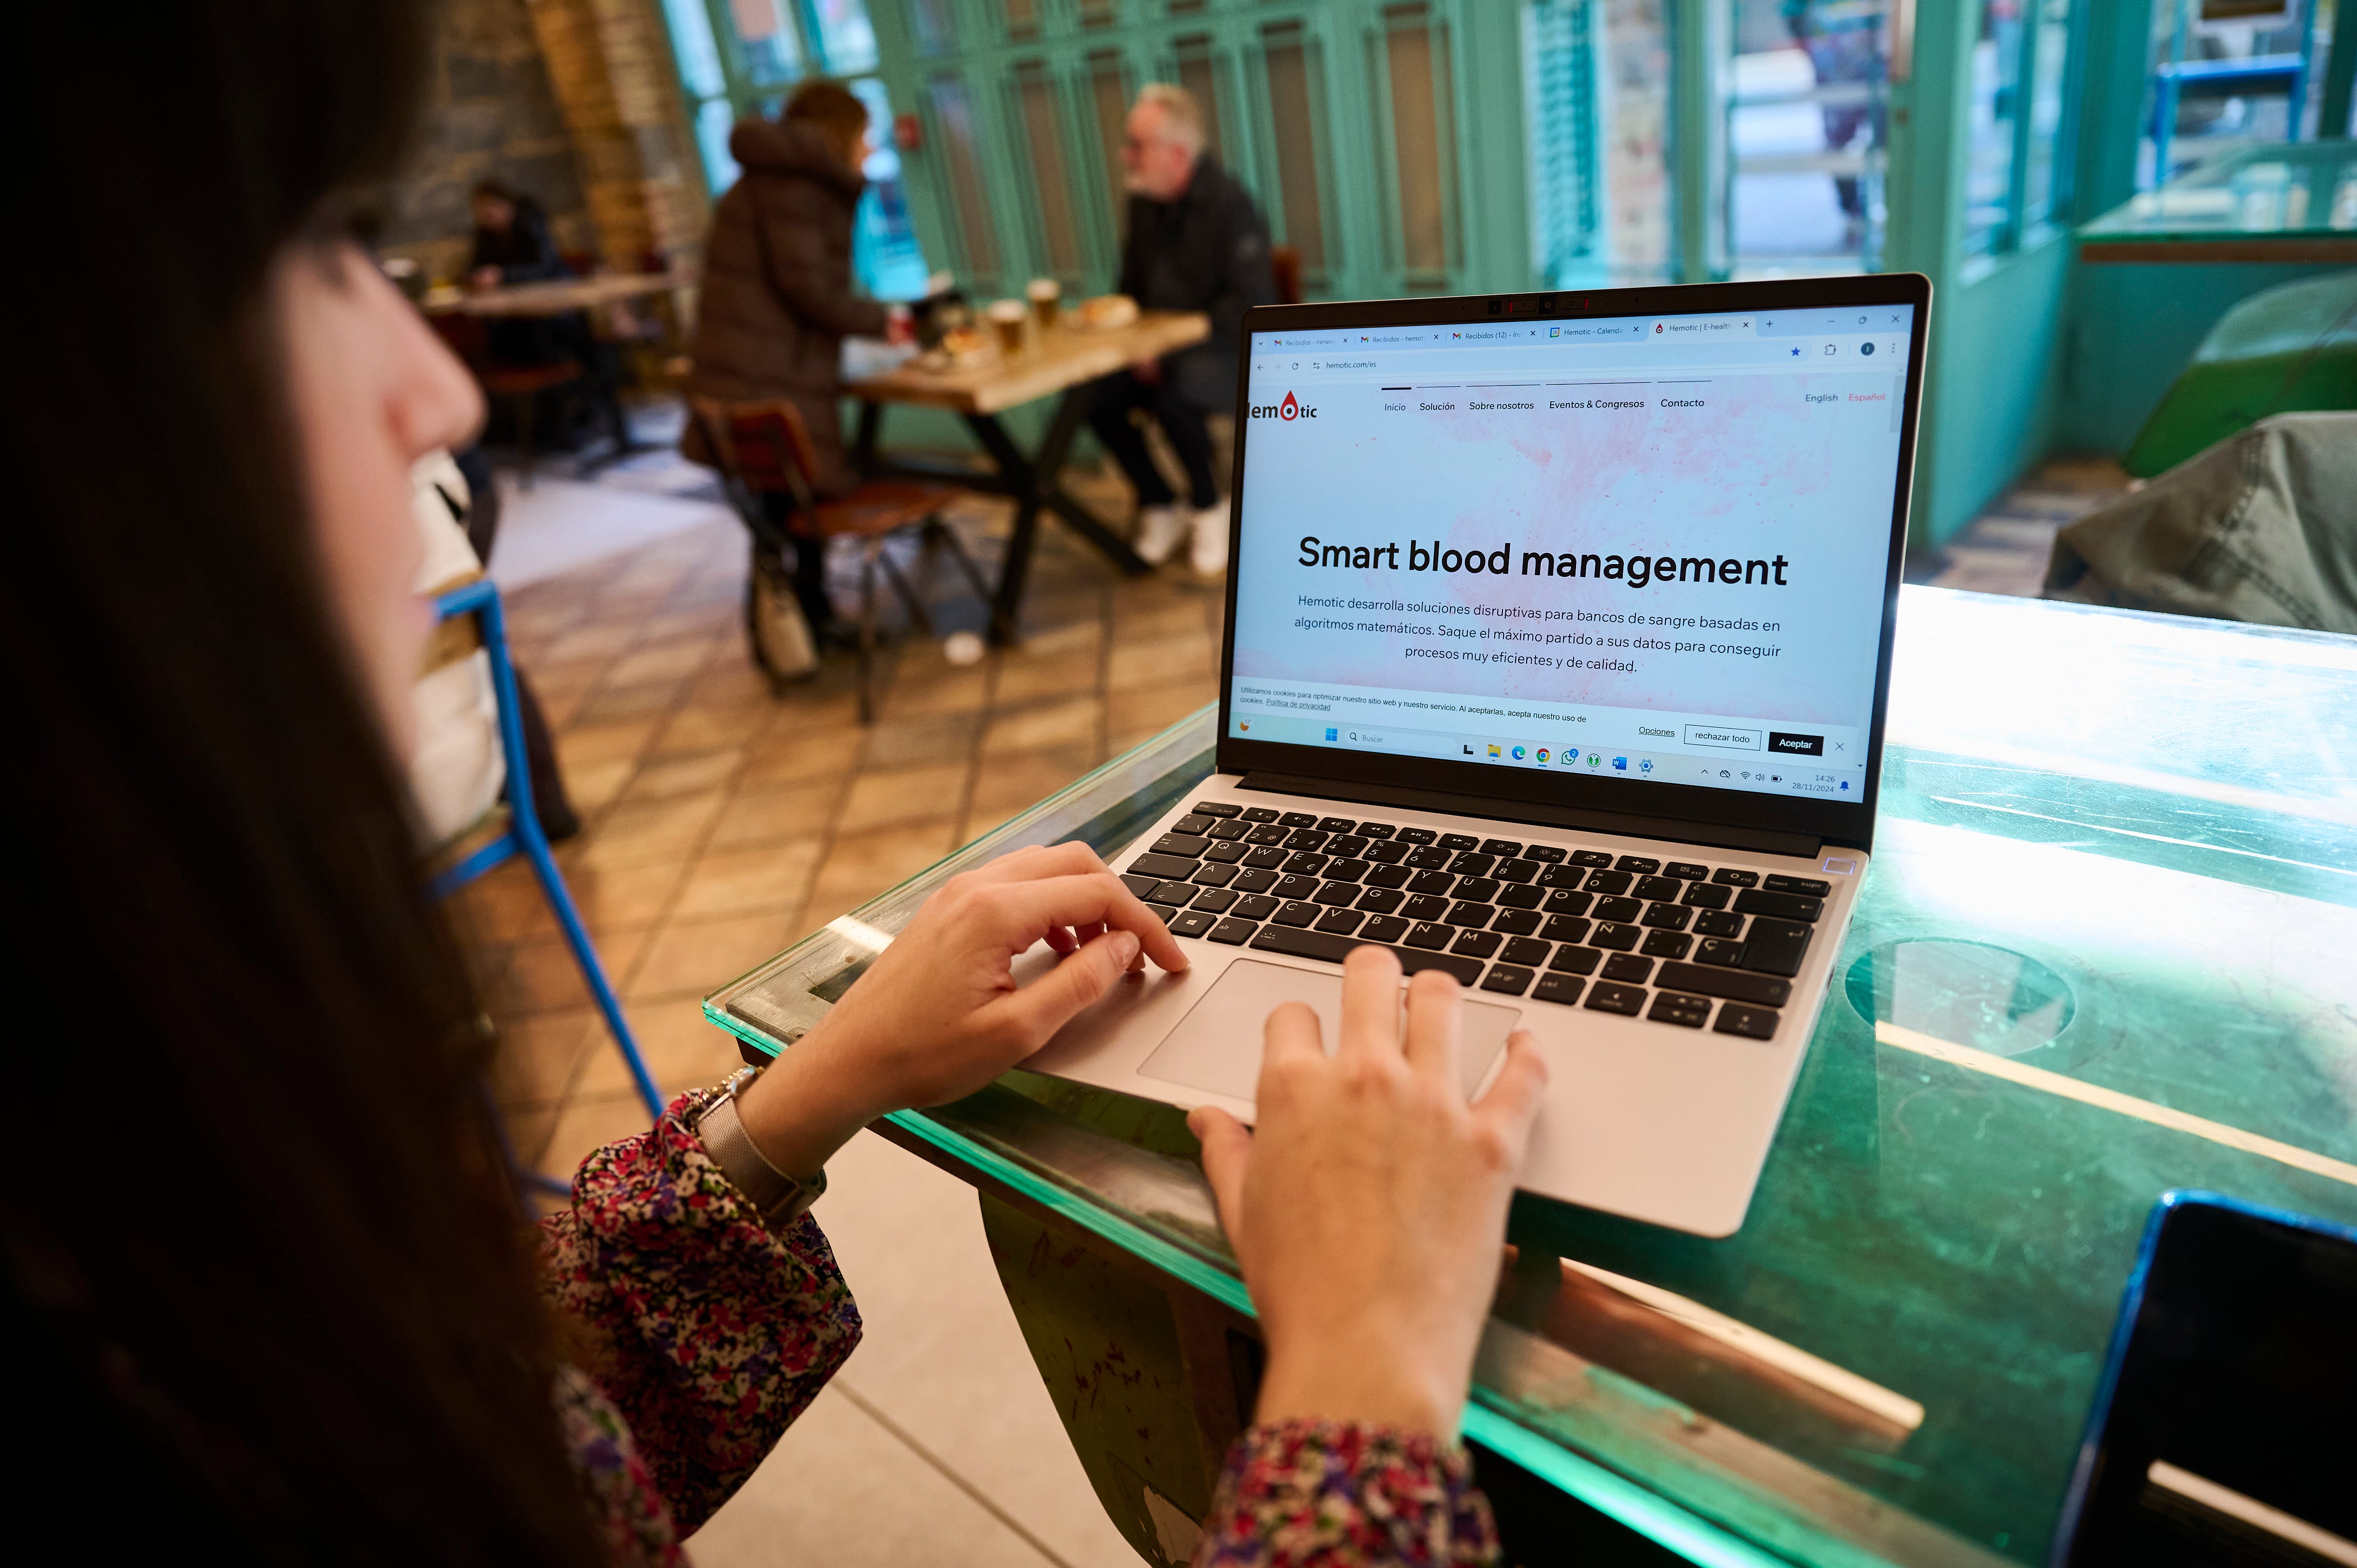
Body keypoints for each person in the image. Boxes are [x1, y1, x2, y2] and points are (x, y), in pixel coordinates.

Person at [4, 4, 1545, 1563]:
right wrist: (1360, 1378)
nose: (442, 394)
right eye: (320, 251)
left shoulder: (138, 1212)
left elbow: (525, 1412)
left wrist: (800, 1091)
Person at [682, 81, 912, 668]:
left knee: (778, 518)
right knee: (795, 508)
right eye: (863, 134)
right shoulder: (798, 187)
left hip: (737, 381)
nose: (869, 148)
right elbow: (809, 288)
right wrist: (882, 321)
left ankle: (800, 630)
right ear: (839, 134)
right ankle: (805, 629)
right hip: (768, 381)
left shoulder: (765, 179)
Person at [1089, 84, 1276, 577]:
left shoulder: (1230, 204)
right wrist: (1128, 343)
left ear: (1176, 153)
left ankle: (1209, 505)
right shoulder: (1143, 204)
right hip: (1153, 350)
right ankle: (1159, 502)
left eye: (1136, 145)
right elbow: (1129, 289)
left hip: (1227, 352)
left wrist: (1166, 351)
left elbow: (1250, 306)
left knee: (1176, 394)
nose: (1126, 156)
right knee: (1094, 395)